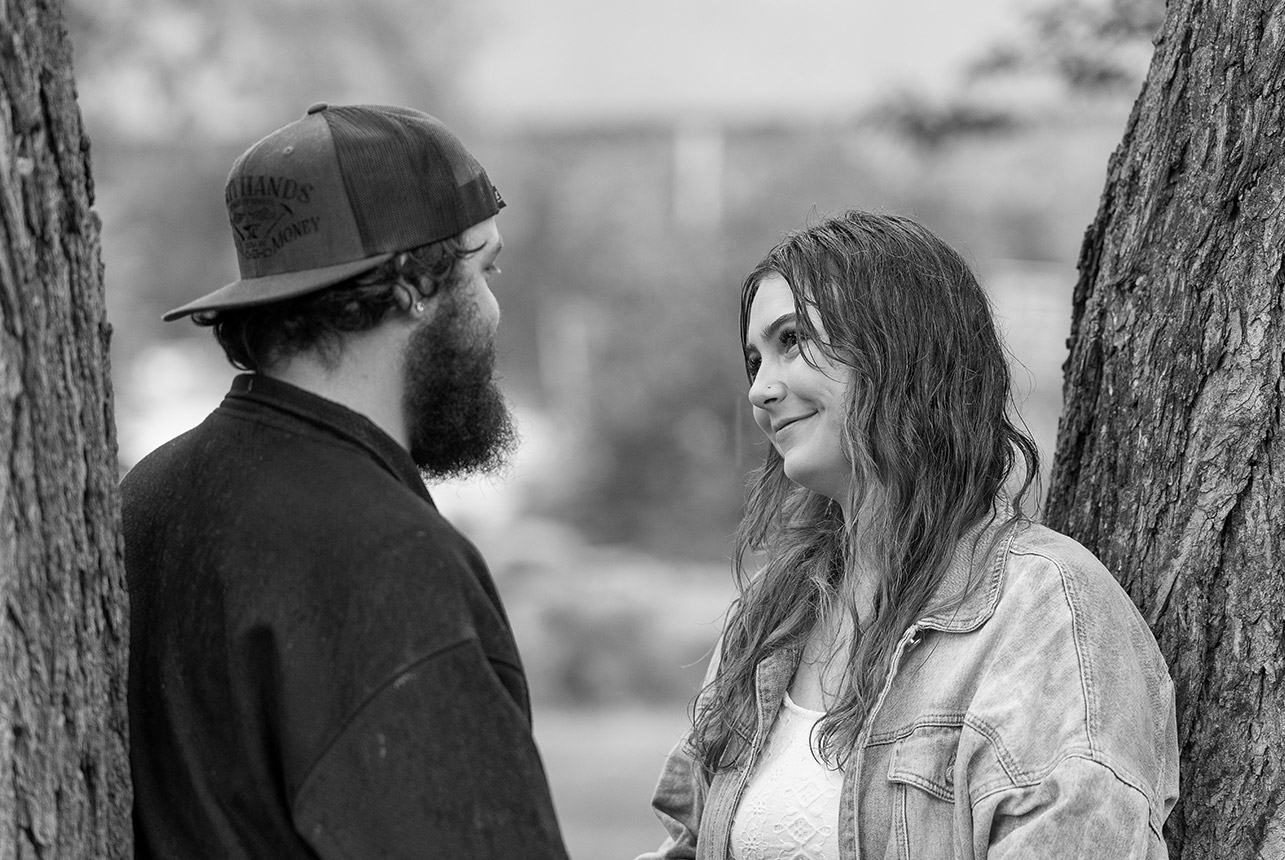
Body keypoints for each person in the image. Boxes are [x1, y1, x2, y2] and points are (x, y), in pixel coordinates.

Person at [638, 210, 1179, 859]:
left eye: (791, 341)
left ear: (896, 346)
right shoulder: (769, 619)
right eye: (754, 359)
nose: (760, 388)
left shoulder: (1044, 610)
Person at [122, 103, 569, 860]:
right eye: (482, 268)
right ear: (409, 286)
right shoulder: (389, 561)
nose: (492, 311)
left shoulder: (147, 499)